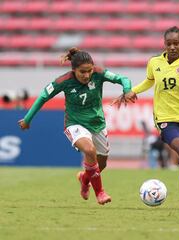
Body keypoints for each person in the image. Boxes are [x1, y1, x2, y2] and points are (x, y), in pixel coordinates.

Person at [113, 26, 179, 210]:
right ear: (164, 44)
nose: (172, 47)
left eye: (176, 43)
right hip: (165, 117)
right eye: (169, 43)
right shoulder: (154, 62)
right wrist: (133, 91)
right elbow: (150, 80)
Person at [18, 47, 132, 205]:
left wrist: (127, 90)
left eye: (89, 71)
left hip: (97, 124)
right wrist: (27, 119)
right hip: (74, 124)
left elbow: (123, 79)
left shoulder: (99, 73)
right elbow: (43, 97)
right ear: (74, 70)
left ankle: (84, 179)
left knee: (101, 164)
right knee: (89, 150)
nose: (86, 75)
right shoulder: (63, 81)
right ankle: (100, 193)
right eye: (82, 72)